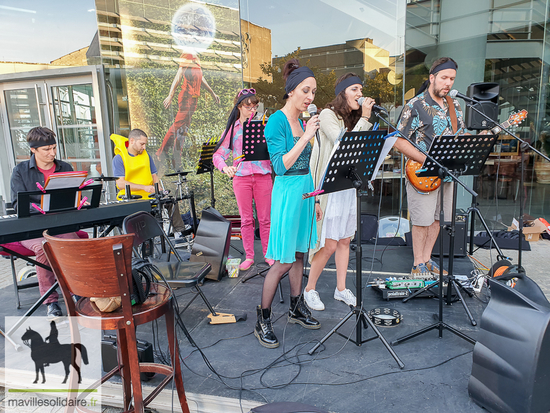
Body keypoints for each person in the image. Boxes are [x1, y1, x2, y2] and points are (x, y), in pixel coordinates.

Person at [254, 59, 322, 349]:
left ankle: (295, 308)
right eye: (305, 90)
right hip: (286, 192)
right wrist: (306, 136)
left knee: (299, 254)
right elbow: (280, 167)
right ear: (291, 91)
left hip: (305, 191)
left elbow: (309, 163)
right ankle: (263, 318)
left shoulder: (304, 120)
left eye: (314, 92)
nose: (310, 97)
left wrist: (316, 196)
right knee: (282, 260)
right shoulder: (276, 121)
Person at [304, 73, 376, 311]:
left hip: (347, 187)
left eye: (361, 89)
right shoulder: (327, 115)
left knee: (345, 240)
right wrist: (365, 118)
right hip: (329, 189)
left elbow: (361, 150)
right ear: (343, 93)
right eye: (354, 89)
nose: (360, 94)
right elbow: (343, 142)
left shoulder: (351, 120)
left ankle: (341, 289)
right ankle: (309, 289)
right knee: (329, 244)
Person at [394, 57, 465, 277]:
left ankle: (427, 259)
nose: (448, 83)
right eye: (444, 78)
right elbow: (398, 140)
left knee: (437, 219)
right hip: (422, 172)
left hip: (447, 174)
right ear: (432, 78)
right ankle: (418, 264)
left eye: (452, 79)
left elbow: (459, 135)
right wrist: (427, 159)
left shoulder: (456, 106)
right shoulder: (415, 105)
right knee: (422, 220)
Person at [10, 127, 81, 319]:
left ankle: (77, 292)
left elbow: (73, 197)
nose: (52, 153)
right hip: (32, 227)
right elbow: (18, 204)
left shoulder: (65, 167)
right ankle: (51, 301)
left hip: (61, 224)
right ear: (33, 149)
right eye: (46, 149)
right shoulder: (20, 171)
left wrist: (79, 202)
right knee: (44, 247)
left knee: (73, 245)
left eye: (54, 148)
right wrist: (42, 208)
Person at [212, 88, 273, 271]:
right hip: (242, 178)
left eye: (254, 107)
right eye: (248, 107)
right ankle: (250, 256)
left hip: (263, 176)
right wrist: (225, 167)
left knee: (265, 219)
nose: (252, 110)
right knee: (246, 220)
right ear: (239, 107)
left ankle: (268, 255)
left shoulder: (264, 125)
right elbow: (218, 155)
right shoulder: (232, 129)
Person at [111, 129, 186, 235]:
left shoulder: (146, 156)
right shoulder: (119, 159)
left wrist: (159, 189)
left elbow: (154, 177)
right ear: (132, 141)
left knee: (171, 202)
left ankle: (180, 234)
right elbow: (120, 184)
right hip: (131, 199)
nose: (144, 147)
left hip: (150, 196)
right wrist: (144, 187)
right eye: (142, 144)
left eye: (145, 144)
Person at [157, 51, 220, 170]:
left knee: (182, 130)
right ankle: (161, 153)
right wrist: (170, 95)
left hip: (193, 100)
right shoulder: (188, 56)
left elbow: (201, 78)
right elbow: (178, 75)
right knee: (177, 126)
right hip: (186, 98)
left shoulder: (197, 59)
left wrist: (212, 93)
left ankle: (177, 159)